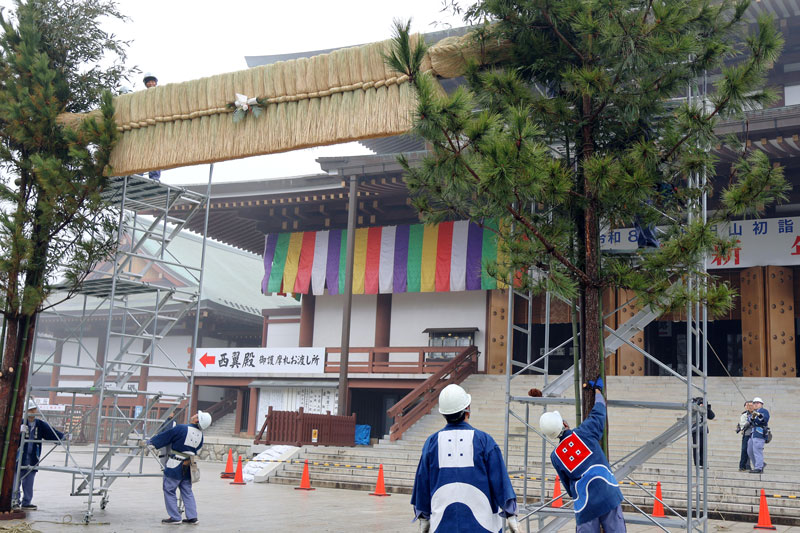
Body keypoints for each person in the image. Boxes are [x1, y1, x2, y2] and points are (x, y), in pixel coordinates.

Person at [411, 384, 520, 533]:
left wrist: (423, 517)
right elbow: (500, 481)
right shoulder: (484, 441)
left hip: (442, 526)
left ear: (443, 413)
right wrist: (511, 515)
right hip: (484, 527)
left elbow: (422, 483)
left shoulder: (432, 443)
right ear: (467, 408)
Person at [540, 379, 626, 533]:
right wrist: (598, 391)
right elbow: (599, 411)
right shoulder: (584, 432)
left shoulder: (556, 457)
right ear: (564, 424)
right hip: (607, 492)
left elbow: (568, 487)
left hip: (585, 504)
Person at [145, 411, 211, 525]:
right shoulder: (200, 435)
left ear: (197, 420)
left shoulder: (182, 428)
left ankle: (175, 517)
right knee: (187, 490)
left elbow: (166, 436)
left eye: (196, 415)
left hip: (175, 463)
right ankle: (192, 517)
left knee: (169, 489)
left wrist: (151, 442)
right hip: (188, 464)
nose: (193, 415)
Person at [16, 400, 66, 510]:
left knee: (29, 482)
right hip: (19, 457)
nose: (33, 411)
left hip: (33, 457)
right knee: (16, 481)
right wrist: (18, 431)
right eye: (30, 410)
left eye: (34, 409)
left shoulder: (39, 424)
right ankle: (15, 501)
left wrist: (62, 437)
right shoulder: (19, 422)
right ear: (26, 411)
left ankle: (26, 502)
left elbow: (50, 432)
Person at [142, 72, 161, 181]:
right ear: (146, 84)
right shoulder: (141, 98)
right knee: (141, 153)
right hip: (144, 129)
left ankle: (154, 178)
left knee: (155, 153)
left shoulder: (160, 94)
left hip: (156, 128)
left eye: (153, 81)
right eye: (149, 82)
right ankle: (137, 175)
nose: (151, 83)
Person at [690, 396, 715, 468]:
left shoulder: (705, 409)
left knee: (703, 448)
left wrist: (707, 408)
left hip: (703, 430)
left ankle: (703, 463)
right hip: (695, 429)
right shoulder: (693, 408)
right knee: (697, 447)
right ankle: (697, 464)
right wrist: (697, 407)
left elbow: (712, 416)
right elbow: (691, 414)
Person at [747, 397, 769, 474]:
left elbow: (764, 419)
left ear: (761, 404)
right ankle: (759, 465)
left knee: (757, 450)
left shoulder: (764, 411)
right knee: (749, 451)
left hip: (759, 433)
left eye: (757, 403)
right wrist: (752, 417)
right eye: (754, 403)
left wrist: (759, 415)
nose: (755, 404)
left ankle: (759, 467)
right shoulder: (753, 412)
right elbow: (749, 420)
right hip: (753, 433)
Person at [736, 401, 754, 471]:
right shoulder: (744, 415)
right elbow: (742, 425)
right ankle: (743, 466)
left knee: (752, 451)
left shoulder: (757, 413)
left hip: (755, 434)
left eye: (751, 405)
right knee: (744, 450)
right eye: (747, 405)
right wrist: (750, 421)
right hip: (747, 434)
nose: (749, 407)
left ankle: (752, 466)